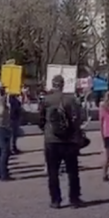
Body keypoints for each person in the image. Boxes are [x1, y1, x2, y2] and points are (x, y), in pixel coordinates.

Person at [39, 75, 84, 209]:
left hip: (51, 140)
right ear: (63, 85)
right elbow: (78, 118)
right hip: (69, 140)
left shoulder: (46, 100)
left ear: (53, 84)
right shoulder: (71, 100)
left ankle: (56, 200)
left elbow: (40, 119)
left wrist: (47, 129)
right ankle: (74, 199)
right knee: (72, 171)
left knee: (53, 172)